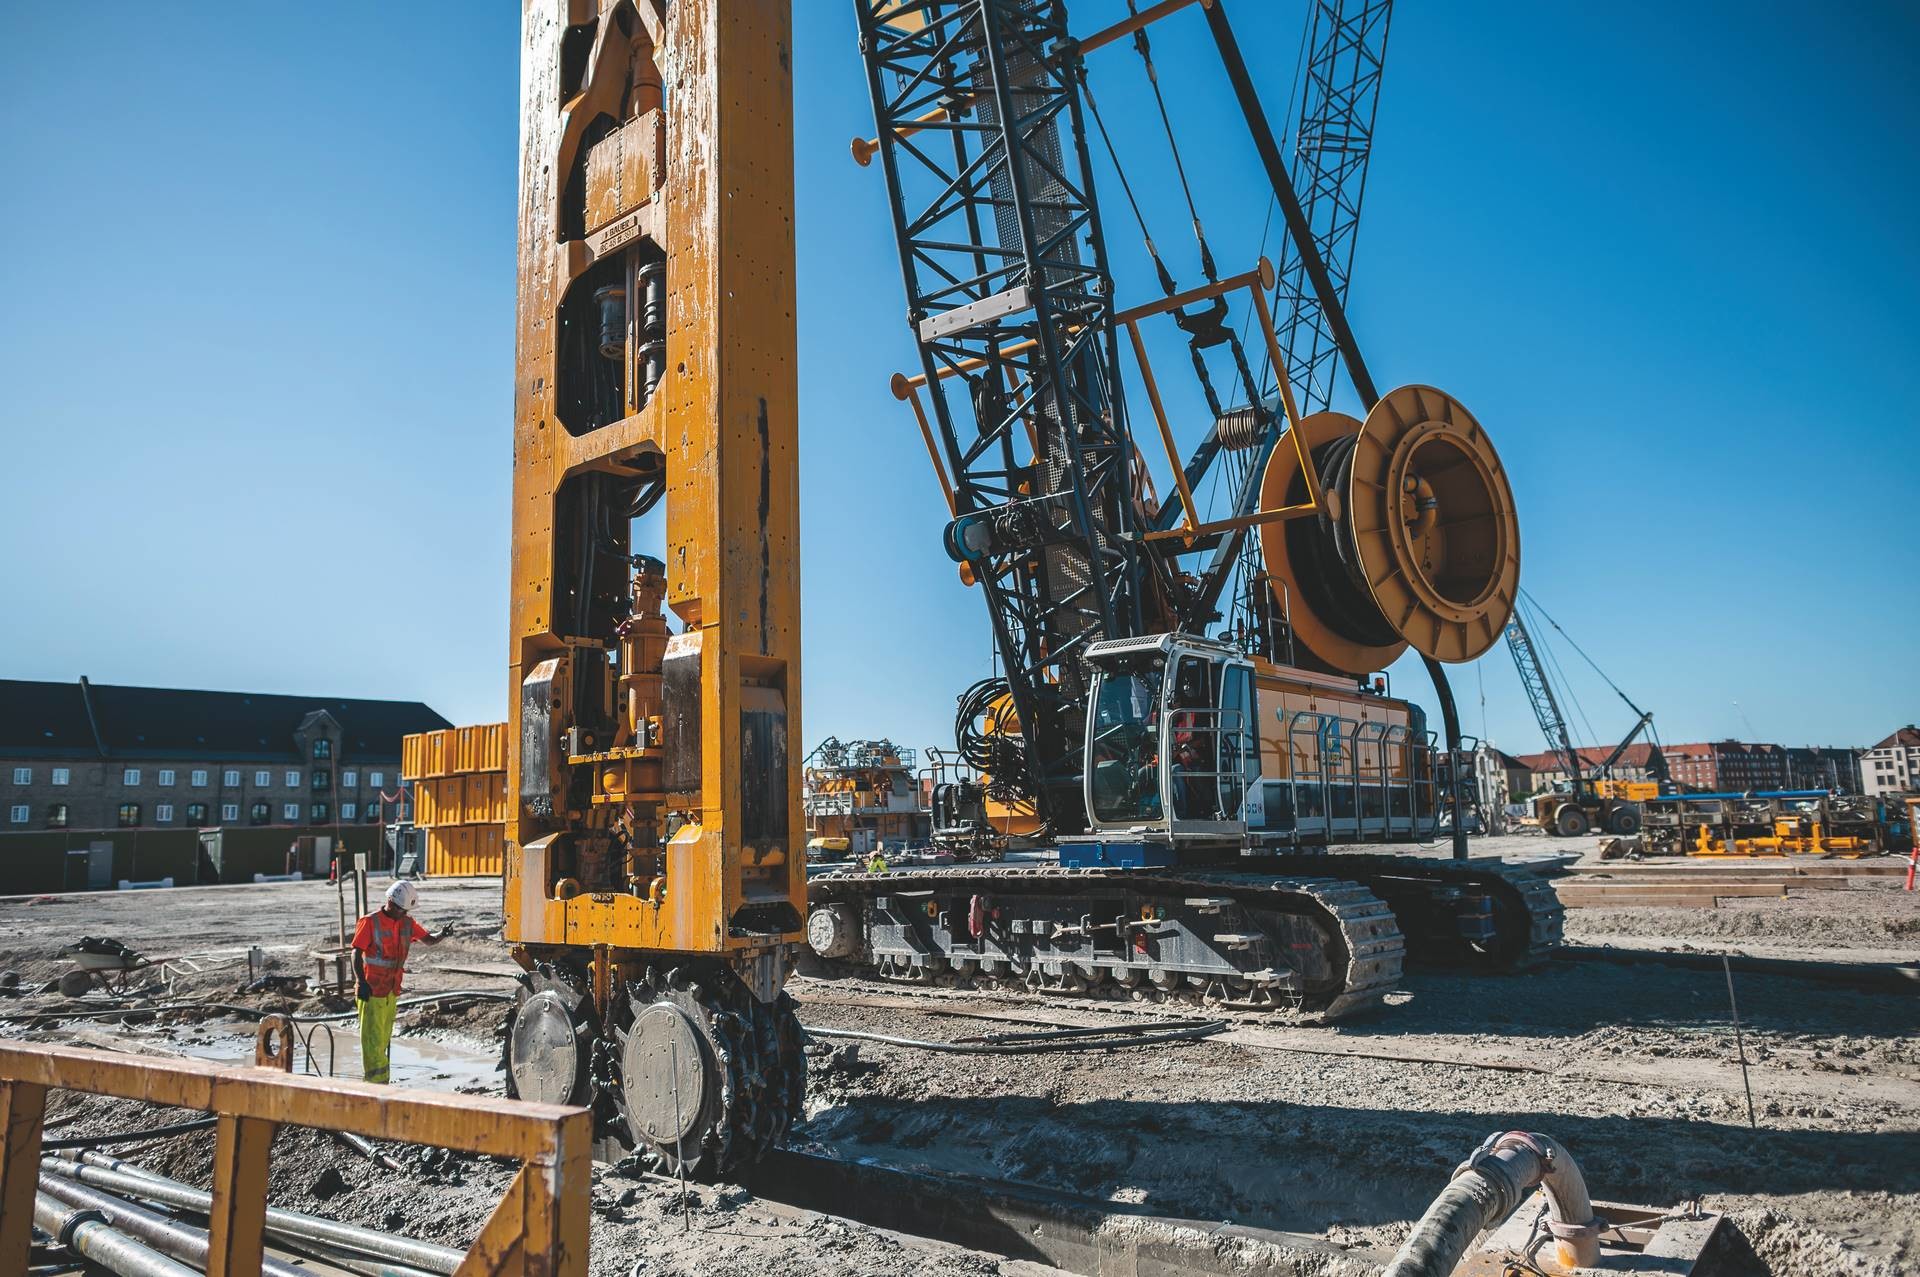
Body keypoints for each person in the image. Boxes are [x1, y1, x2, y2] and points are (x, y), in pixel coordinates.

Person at [350, 880, 449, 1084]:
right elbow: (356, 952)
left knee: (383, 1040)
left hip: (391, 990)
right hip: (371, 990)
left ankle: (382, 1082)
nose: (403, 914)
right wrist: (361, 982)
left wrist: (442, 934)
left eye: (405, 911)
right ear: (390, 902)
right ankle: (375, 1085)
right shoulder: (370, 922)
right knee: (372, 1042)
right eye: (401, 910)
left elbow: (428, 940)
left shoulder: (407, 923)